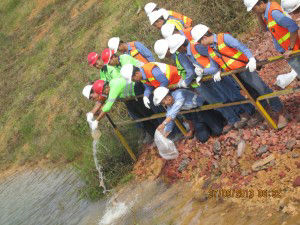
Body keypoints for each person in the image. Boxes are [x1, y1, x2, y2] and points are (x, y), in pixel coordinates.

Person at [192, 23, 289, 128]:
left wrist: (251, 58)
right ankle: (269, 115)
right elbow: (214, 67)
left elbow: (241, 47)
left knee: (262, 89)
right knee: (254, 94)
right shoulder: (210, 49)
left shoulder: (224, 38)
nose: (200, 44)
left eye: (199, 41)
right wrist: (202, 71)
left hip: (245, 69)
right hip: (235, 75)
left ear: (204, 37)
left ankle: (281, 113)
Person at [167, 34, 251, 131]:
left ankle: (249, 112)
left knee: (231, 94)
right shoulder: (184, 53)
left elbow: (212, 54)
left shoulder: (197, 47)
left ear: (181, 46)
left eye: (177, 49)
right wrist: (200, 74)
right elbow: (193, 67)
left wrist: (214, 69)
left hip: (216, 73)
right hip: (207, 76)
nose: (177, 52)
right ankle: (239, 116)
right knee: (224, 97)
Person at [82, 79, 159, 138]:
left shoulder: (112, 89)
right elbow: (100, 102)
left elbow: (107, 106)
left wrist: (97, 121)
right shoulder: (105, 87)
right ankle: (156, 136)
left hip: (137, 94)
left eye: (91, 97)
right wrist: (91, 113)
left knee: (149, 115)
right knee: (142, 119)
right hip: (130, 98)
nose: (104, 94)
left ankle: (163, 133)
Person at [244, 0, 300, 80]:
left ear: (261, 4)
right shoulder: (268, 13)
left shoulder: (274, 13)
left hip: (293, 50)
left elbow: (293, 27)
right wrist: (259, 16)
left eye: (254, 9)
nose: (254, 11)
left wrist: (290, 49)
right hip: (289, 50)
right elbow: (264, 29)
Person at [153, 87, 224, 143]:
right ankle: (207, 126)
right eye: (163, 103)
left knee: (218, 130)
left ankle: (217, 117)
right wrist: (165, 133)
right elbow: (170, 117)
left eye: (164, 101)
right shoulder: (170, 107)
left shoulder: (179, 93)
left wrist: (164, 123)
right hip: (194, 115)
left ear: (167, 96)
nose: (165, 103)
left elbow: (174, 111)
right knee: (203, 138)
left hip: (203, 109)